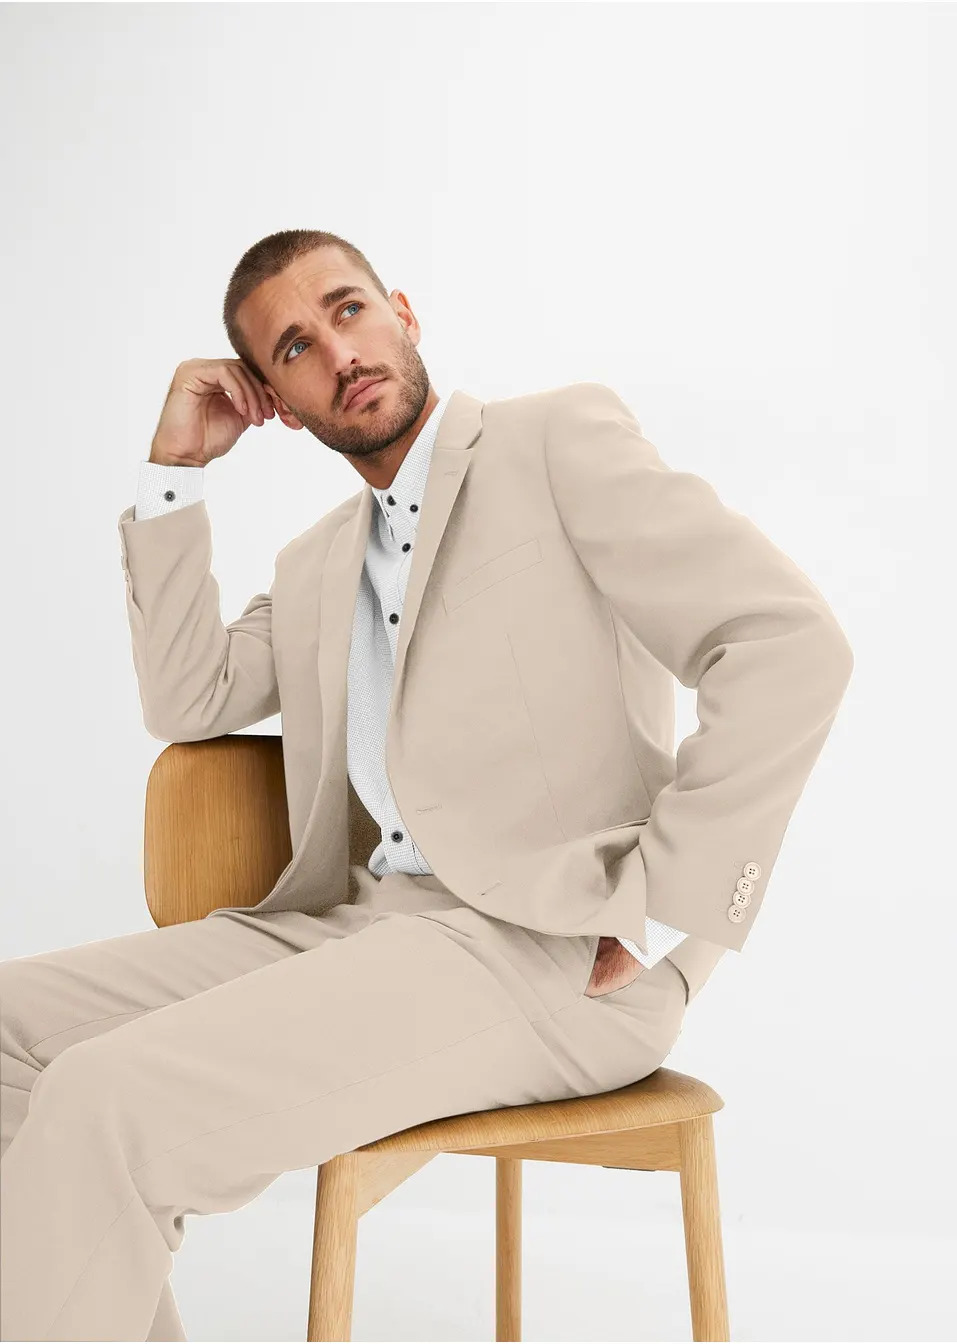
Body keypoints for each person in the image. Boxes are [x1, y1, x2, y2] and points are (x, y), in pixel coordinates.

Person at [0, 229, 853, 1340]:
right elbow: (187, 695)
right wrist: (174, 471)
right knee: (11, 1035)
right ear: (277, 403)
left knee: (106, 1098)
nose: (338, 352)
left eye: (348, 309)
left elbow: (787, 644)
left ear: (402, 311)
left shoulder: (554, 442)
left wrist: (659, 912)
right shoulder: (317, 561)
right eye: (294, 348)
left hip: (549, 950)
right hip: (358, 927)